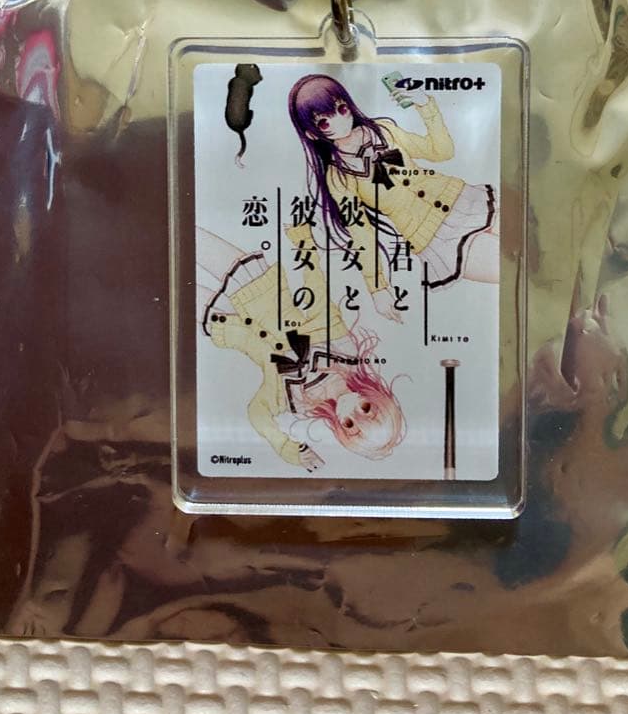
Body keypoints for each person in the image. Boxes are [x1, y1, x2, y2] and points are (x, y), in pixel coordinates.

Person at [288, 74, 498, 321]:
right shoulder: (339, 178)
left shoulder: (384, 130)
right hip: (434, 238)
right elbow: (362, 234)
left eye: (341, 108)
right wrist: (378, 288)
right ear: (313, 134)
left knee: (529, 245)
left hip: (464, 199)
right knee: (511, 268)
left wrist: (425, 106)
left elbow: (441, 151)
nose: (340, 119)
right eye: (324, 122)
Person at [197, 227, 406, 471]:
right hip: (256, 286)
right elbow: (318, 299)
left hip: (225, 324)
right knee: (191, 238)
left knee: (166, 285)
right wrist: (305, 243)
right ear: (377, 398)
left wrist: (286, 447)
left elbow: (257, 412)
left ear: (340, 429)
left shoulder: (300, 404)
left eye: (350, 424)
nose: (351, 411)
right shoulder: (344, 352)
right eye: (366, 409)